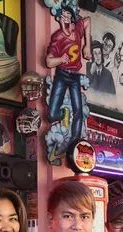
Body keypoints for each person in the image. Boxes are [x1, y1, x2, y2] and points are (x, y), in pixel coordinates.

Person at [46, 7, 91, 143]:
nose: (65, 18)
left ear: (72, 18)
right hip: (62, 74)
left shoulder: (77, 30)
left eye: (68, 15)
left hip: (74, 76)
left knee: (78, 111)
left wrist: (87, 45)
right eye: (63, 15)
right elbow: (49, 62)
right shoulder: (58, 37)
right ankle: (63, 113)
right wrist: (60, 59)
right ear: (59, 19)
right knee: (52, 115)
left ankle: (74, 143)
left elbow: (88, 20)